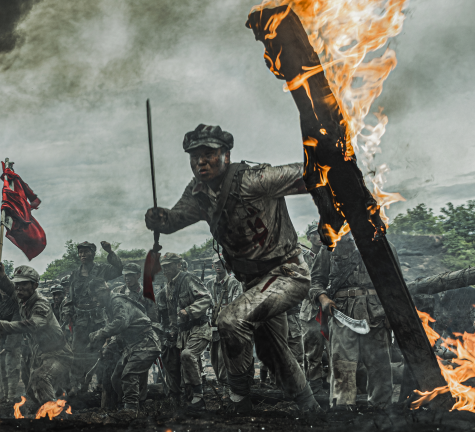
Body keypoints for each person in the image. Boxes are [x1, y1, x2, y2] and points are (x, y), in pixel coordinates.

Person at [144, 123, 323, 415]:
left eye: (208, 154)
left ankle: (239, 400)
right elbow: (175, 219)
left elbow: (313, 174)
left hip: (286, 273)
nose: (200, 162)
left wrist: (335, 173)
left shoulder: (254, 180)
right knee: (274, 352)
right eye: (194, 157)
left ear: (226, 155)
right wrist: (159, 219)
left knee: (230, 320)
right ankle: (311, 409)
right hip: (253, 283)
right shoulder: (199, 193)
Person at [310, 232, 398, 409]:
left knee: (380, 365)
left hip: (376, 313)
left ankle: (381, 409)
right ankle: (342, 409)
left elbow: (395, 283)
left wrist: (392, 313)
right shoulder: (330, 247)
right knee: (342, 364)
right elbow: (315, 281)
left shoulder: (383, 245)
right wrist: (323, 299)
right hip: (342, 313)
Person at [0, 264, 72, 409]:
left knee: (40, 379)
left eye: (24, 284)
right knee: (31, 393)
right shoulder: (22, 297)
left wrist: (0, 323)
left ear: (35, 285)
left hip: (57, 354)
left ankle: (55, 414)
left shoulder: (41, 304)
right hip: (39, 354)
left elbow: (31, 325)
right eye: (17, 284)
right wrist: (2, 275)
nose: (19, 288)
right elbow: (10, 288)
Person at [88, 262, 160, 416]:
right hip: (129, 343)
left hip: (144, 341)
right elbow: (114, 325)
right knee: (116, 377)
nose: (94, 299)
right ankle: (124, 405)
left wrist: (100, 333)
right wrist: (108, 342)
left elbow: (121, 323)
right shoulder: (113, 299)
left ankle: (131, 408)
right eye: (125, 275)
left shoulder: (118, 300)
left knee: (130, 374)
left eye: (96, 295)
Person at [61, 241, 124, 391]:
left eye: (86, 251)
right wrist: (67, 316)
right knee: (78, 353)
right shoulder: (75, 274)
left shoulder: (102, 269)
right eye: (80, 252)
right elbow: (70, 298)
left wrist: (110, 252)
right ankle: (79, 385)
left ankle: (101, 385)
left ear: (93, 253)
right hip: (80, 320)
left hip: (98, 318)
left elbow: (119, 270)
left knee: (101, 351)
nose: (83, 254)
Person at [155, 253, 213, 413]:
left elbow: (206, 298)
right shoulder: (168, 287)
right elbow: (172, 314)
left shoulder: (188, 279)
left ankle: (198, 397)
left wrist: (189, 310)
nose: (165, 269)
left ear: (178, 265)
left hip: (199, 327)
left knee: (188, 355)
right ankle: (186, 399)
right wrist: (172, 330)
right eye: (163, 266)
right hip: (183, 331)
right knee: (177, 360)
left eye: (169, 265)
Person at [299, 223, 328, 397]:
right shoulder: (301, 259)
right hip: (310, 310)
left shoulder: (332, 254)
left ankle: (332, 384)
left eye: (322, 233)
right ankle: (314, 387)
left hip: (330, 308)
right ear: (309, 238)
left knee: (334, 350)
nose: (319, 237)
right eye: (315, 234)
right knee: (312, 351)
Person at [208, 256, 242, 392]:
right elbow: (206, 304)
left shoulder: (234, 283)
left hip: (228, 329)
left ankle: (228, 390)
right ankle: (222, 387)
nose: (218, 266)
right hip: (213, 328)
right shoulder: (209, 284)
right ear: (212, 266)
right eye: (216, 264)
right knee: (214, 360)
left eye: (221, 264)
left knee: (224, 360)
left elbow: (235, 306)